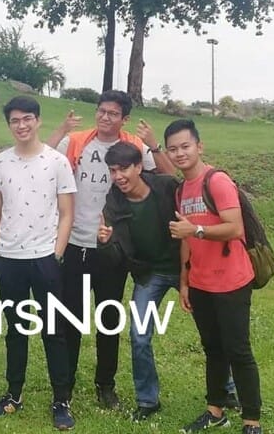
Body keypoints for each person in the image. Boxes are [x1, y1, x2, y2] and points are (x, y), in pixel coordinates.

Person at [45, 90, 176, 409]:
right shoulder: (76, 141)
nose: (105, 117)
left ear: (124, 118)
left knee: (108, 318)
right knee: (71, 318)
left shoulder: (134, 146)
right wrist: (61, 129)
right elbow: (42, 161)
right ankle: (67, 383)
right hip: (75, 243)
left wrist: (154, 145)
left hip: (113, 248)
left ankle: (106, 384)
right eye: (101, 111)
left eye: (113, 113)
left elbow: (168, 176)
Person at [0, 96, 78, 431]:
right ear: (9, 125)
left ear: (38, 121)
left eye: (27, 119)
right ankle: (14, 393)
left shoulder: (56, 162)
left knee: (54, 330)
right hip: (9, 259)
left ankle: (61, 399)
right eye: (15, 120)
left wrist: (57, 252)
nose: (21, 125)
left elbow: (67, 212)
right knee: (16, 329)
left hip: (45, 259)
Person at [165, 119, 263, 434]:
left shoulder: (217, 181)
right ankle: (215, 410)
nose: (179, 154)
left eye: (185, 146)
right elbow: (186, 240)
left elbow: (235, 228)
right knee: (213, 349)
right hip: (201, 282)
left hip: (232, 280)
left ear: (199, 146)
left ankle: (251, 420)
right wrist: (184, 280)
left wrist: (196, 229)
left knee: (238, 349)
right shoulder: (181, 190)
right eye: (173, 149)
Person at [94, 141, 183, 422]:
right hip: (149, 274)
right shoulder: (114, 200)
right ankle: (148, 400)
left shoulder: (166, 187)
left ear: (138, 167)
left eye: (123, 169)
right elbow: (116, 256)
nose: (118, 176)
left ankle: (226, 388)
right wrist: (106, 243)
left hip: (185, 269)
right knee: (139, 335)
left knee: (212, 329)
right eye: (112, 170)